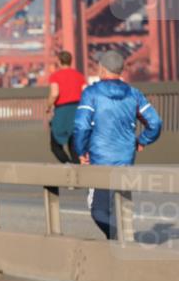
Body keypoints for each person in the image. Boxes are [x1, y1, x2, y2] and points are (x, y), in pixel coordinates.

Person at [73, 50, 162, 239]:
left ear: (102, 69)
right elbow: (155, 123)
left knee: (98, 210)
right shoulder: (133, 93)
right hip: (125, 160)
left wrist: (80, 152)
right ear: (120, 70)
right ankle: (117, 246)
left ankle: (119, 239)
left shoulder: (91, 93)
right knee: (117, 207)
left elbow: (81, 125)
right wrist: (142, 140)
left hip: (99, 160)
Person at [46, 51, 86, 164]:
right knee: (74, 145)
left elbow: (54, 93)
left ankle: (67, 164)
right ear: (70, 61)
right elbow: (85, 92)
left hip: (62, 111)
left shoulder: (55, 76)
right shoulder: (79, 75)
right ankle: (76, 168)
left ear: (59, 61)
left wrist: (48, 106)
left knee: (55, 146)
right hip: (77, 111)